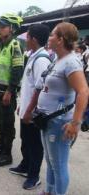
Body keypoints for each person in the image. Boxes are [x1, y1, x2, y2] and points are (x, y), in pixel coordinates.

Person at [32, 22, 88, 195]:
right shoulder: (58, 60)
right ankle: (49, 191)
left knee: (59, 164)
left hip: (60, 122)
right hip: (47, 120)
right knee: (50, 161)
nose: (49, 38)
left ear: (61, 39)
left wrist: (75, 123)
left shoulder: (71, 62)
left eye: (52, 34)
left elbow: (83, 91)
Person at [9, 24, 52, 190]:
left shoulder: (41, 59)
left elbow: (40, 88)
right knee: (26, 140)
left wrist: (29, 110)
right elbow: (28, 85)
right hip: (27, 108)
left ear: (33, 39)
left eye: (27, 37)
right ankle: (25, 166)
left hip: (33, 112)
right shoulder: (33, 55)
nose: (25, 41)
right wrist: (22, 105)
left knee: (34, 144)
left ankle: (34, 176)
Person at [0, 13, 24, 167]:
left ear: (12, 28)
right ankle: (1, 148)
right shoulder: (2, 45)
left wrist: (10, 91)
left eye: (3, 27)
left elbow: (17, 70)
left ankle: (7, 155)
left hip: (5, 93)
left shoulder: (14, 45)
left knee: (7, 125)